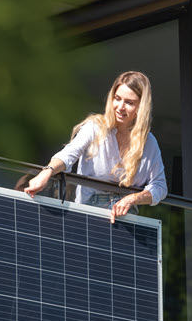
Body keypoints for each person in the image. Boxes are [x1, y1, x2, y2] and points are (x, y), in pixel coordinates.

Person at [24, 71, 167, 223]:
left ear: (141, 107)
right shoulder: (95, 128)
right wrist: (47, 172)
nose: (120, 107)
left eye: (129, 102)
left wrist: (133, 199)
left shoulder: (149, 142)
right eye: (117, 98)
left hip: (128, 219)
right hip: (89, 213)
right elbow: (69, 154)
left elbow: (160, 187)